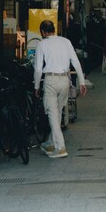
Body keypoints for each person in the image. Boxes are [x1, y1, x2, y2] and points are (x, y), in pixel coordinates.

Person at [33, 20, 87, 158]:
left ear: (43, 32)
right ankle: (51, 142)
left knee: (52, 114)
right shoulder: (66, 42)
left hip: (50, 81)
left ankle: (60, 147)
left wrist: (36, 86)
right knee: (57, 113)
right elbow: (75, 61)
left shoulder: (42, 44)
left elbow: (38, 68)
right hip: (65, 80)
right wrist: (81, 82)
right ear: (54, 29)